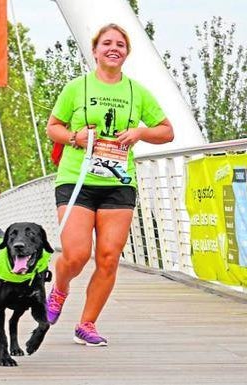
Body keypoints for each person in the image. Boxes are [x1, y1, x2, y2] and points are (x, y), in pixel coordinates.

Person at [45, 23, 174, 347]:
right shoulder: (77, 88)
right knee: (76, 254)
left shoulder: (136, 92)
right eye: (107, 43)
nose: (113, 48)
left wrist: (139, 133)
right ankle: (60, 287)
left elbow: (166, 131)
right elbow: (53, 128)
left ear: (126, 52)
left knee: (108, 256)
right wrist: (75, 137)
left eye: (120, 44)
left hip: (118, 183)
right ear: (95, 50)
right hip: (77, 179)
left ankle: (86, 323)